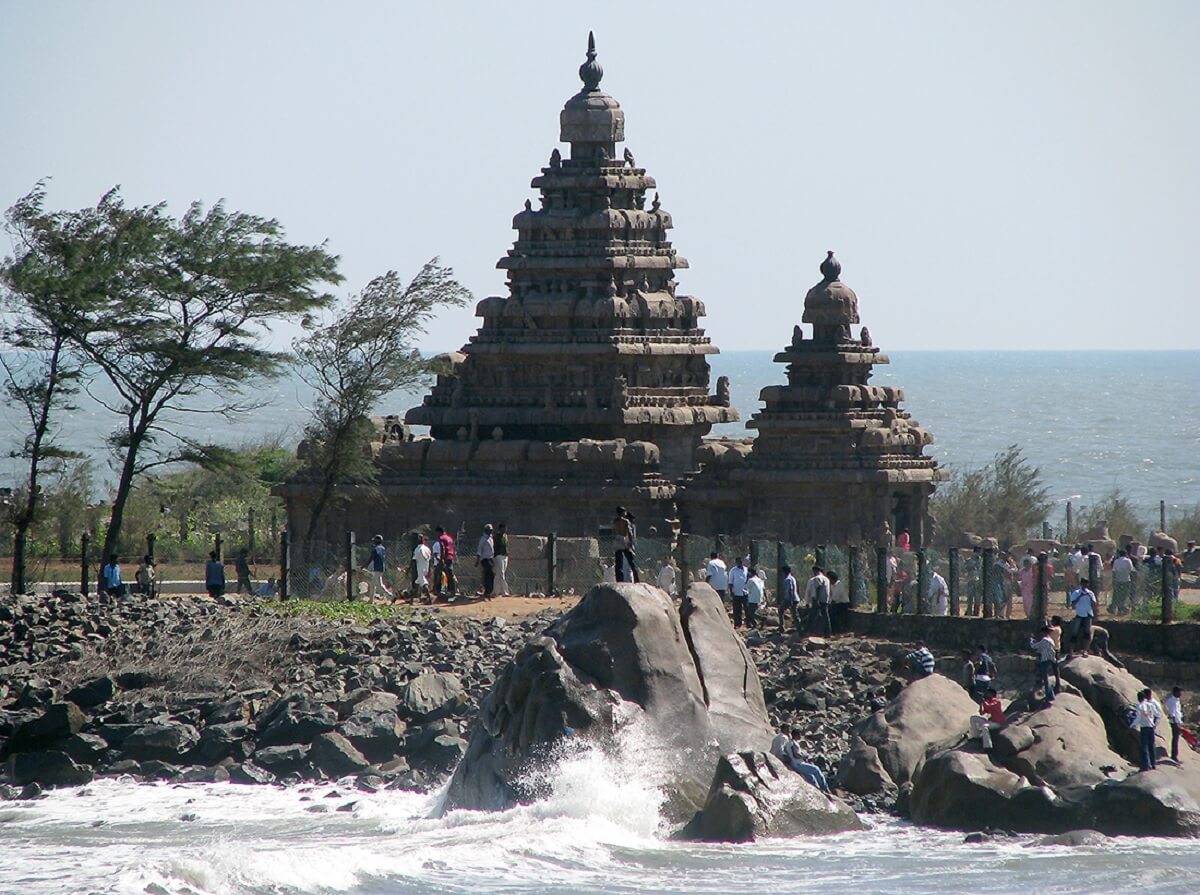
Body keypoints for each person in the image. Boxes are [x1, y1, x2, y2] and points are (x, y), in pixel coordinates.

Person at [787, 728, 831, 793]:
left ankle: (817, 789)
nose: (801, 736)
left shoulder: (791, 742)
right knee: (816, 769)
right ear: (796, 735)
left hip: (796, 763)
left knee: (810, 776)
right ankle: (824, 788)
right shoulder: (792, 743)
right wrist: (804, 756)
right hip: (798, 764)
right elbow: (795, 755)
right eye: (799, 735)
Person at [1067, 578, 1097, 657]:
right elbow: (1073, 604)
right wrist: (1080, 596)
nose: (1085, 585)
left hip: (1088, 614)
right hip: (1079, 614)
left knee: (1087, 633)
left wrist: (1090, 597)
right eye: (1084, 584)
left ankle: (1085, 650)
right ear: (1081, 584)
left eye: (1086, 584)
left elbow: (1094, 604)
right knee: (1074, 633)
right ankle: (1071, 651)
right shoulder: (1076, 593)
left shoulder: (1090, 593)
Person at [1030, 625, 1057, 704]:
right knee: (1045, 678)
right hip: (1049, 660)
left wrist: (1031, 640)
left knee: (1046, 680)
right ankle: (1050, 695)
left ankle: (1050, 697)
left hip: (1044, 661)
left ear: (1044, 632)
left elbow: (1034, 646)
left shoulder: (1044, 640)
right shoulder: (1050, 640)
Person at [1135, 687, 1162, 771]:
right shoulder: (1150, 705)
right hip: (1151, 727)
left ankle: (1146, 765)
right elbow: (1157, 714)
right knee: (1151, 746)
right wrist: (1154, 724)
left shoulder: (1139, 706)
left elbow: (1138, 718)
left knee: (1144, 747)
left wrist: (1131, 726)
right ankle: (1153, 764)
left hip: (1144, 727)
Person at [612, 507, 639, 583]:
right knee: (630, 560)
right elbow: (629, 532)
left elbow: (613, 531)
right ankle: (636, 578)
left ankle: (619, 579)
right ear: (622, 513)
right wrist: (630, 541)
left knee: (618, 561)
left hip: (617, 539)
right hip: (623, 539)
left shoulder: (615, 521)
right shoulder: (625, 521)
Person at [363, 535, 393, 601]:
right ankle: (371, 600)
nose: (373, 542)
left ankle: (391, 596)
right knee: (373, 584)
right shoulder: (382, 548)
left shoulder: (375, 548)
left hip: (376, 568)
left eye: (374, 540)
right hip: (381, 567)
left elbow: (371, 558)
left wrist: (364, 566)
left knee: (378, 585)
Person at [805, 564, 832, 636]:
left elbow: (818, 588)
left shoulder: (817, 578)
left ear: (817, 571)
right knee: (825, 616)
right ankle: (828, 632)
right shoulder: (826, 579)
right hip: (825, 599)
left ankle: (807, 631)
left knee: (812, 616)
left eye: (814, 571)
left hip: (818, 600)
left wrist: (816, 600)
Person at [434, 526, 457, 597]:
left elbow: (443, 548)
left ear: (439, 532)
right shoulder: (449, 538)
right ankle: (452, 590)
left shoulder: (442, 538)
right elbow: (453, 547)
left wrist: (442, 559)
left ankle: (437, 591)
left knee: (437, 573)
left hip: (445, 558)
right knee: (450, 574)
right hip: (451, 557)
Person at [777, 564, 801, 633]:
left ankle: (782, 627)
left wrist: (791, 600)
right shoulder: (792, 578)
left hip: (790, 599)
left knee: (781, 610)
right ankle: (799, 628)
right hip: (794, 598)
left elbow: (790, 589)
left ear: (784, 572)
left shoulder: (788, 579)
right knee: (794, 614)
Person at [728, 556, 749, 627]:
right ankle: (737, 624)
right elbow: (730, 582)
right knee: (737, 610)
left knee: (747, 609)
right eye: (737, 562)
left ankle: (748, 623)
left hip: (745, 593)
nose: (739, 563)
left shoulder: (746, 569)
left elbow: (748, 579)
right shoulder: (733, 570)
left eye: (740, 561)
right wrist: (731, 591)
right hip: (736, 593)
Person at [1111, 549, 1134, 614]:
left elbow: (1114, 571)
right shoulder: (1128, 561)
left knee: (1118, 594)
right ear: (1126, 554)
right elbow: (1131, 570)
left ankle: (1119, 608)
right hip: (1126, 580)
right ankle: (1123, 607)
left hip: (1118, 580)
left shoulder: (1116, 561)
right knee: (1125, 594)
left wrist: (1114, 580)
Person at [476, 524, 495, 596]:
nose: (491, 532)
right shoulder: (483, 539)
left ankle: (489, 591)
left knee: (491, 575)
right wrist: (477, 560)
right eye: (489, 530)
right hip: (485, 559)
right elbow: (479, 550)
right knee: (488, 574)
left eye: (491, 530)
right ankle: (487, 591)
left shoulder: (490, 538)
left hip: (490, 558)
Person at [1166, 687, 1184, 763]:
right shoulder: (1172, 701)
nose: (1181, 694)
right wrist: (1176, 723)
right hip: (1174, 722)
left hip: (1177, 721)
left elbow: (1178, 712)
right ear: (1175, 692)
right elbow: (1172, 713)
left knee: (1176, 739)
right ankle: (1174, 755)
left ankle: (1175, 755)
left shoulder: (1177, 700)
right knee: (1175, 739)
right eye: (1179, 692)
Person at [412, 535, 433, 600]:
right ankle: (411, 599)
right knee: (417, 582)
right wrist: (429, 569)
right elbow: (429, 559)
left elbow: (414, 560)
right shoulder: (427, 549)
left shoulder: (417, 549)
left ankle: (429, 598)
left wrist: (409, 569)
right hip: (426, 568)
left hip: (420, 569)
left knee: (424, 583)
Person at [493, 523, 510, 596]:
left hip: (505, 556)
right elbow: (495, 546)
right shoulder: (496, 537)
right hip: (499, 555)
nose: (505, 529)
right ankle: (505, 591)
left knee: (498, 574)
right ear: (500, 529)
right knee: (501, 573)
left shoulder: (505, 536)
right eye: (504, 528)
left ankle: (495, 591)